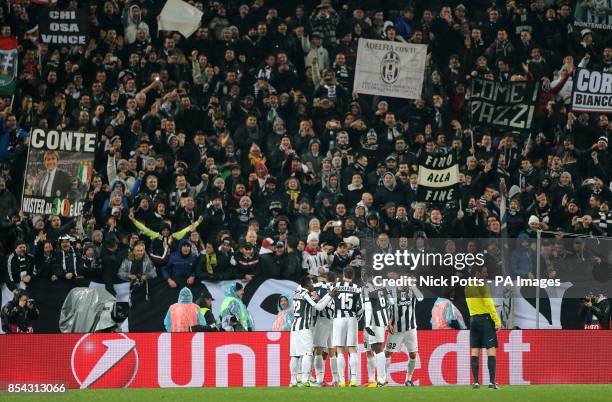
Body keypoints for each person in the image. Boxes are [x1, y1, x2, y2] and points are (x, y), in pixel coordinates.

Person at [289, 276, 336, 387]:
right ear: (307, 284)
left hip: (294, 326)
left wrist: (328, 296)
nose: (312, 285)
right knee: (308, 353)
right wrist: (330, 297)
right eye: (311, 283)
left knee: (295, 355)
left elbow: (316, 302)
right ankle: (305, 380)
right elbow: (319, 307)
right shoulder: (306, 294)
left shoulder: (296, 292)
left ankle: (293, 381)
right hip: (304, 327)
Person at [465, 265, 501, 389]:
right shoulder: (483, 285)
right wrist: (497, 321)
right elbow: (488, 304)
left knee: (475, 351)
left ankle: (476, 382)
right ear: (477, 273)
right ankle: (492, 382)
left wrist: (491, 306)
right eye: (484, 272)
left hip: (473, 320)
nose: (486, 275)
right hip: (485, 321)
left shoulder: (468, 286)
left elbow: (477, 303)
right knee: (491, 351)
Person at [385, 282, 424, 386]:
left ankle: (408, 379)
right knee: (387, 353)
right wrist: (388, 323)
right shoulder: (392, 293)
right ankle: (383, 378)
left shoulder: (412, 292)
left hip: (410, 329)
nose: (405, 284)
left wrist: (413, 286)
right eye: (403, 281)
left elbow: (421, 298)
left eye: (407, 282)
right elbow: (385, 308)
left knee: (413, 354)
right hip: (395, 329)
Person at [362, 269, 393, 387]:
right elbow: (390, 302)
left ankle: (381, 379)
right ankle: (382, 378)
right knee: (378, 347)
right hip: (383, 320)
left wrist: (368, 324)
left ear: (365, 276)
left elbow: (368, 308)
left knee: (377, 348)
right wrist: (388, 320)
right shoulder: (382, 287)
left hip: (375, 322)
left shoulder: (366, 288)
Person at [332, 267, 362, 387]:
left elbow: (330, 299)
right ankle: (354, 379)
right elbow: (362, 307)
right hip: (352, 318)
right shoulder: (357, 288)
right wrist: (356, 318)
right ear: (353, 276)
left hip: (339, 318)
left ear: (343, 274)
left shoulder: (336, 285)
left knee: (339, 349)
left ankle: (342, 380)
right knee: (352, 348)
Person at [311, 271, 338, 386]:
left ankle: (319, 379)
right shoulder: (337, 288)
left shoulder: (318, 286)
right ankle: (336, 379)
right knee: (332, 351)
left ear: (324, 278)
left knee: (318, 350)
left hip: (321, 320)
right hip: (334, 320)